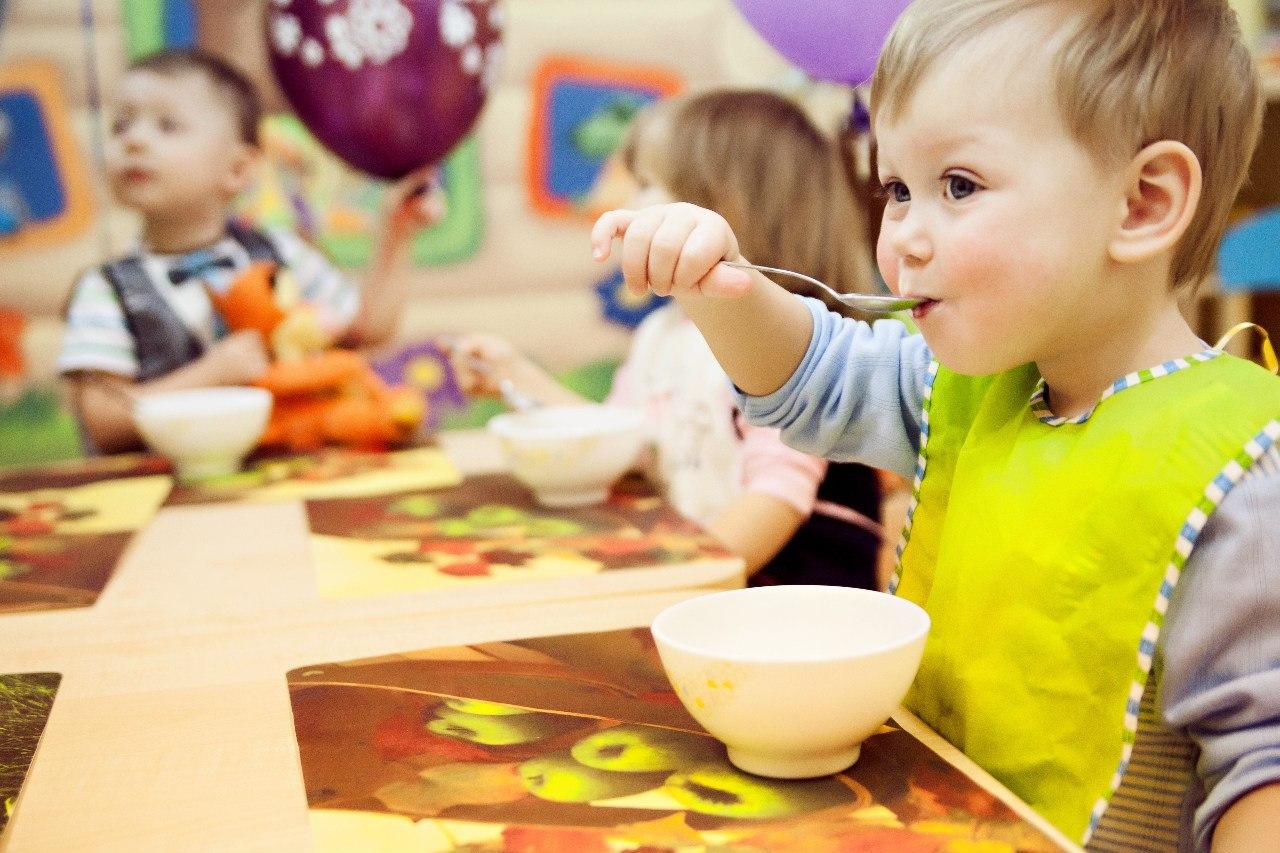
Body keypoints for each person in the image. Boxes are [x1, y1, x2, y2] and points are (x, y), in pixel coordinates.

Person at [589, 1, 1280, 849]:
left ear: (1140, 204)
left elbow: (1262, 767)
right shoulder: (960, 383)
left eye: (958, 185)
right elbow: (813, 377)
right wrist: (717, 288)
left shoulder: (1240, 475)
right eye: (896, 188)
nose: (904, 237)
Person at [453, 90, 888, 584]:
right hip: (713, 583)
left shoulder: (787, 343)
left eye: (645, 184)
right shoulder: (664, 333)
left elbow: (776, 498)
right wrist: (518, 378)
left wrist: (677, 588)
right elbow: (626, 442)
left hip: (797, 605)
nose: (627, 203)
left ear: (725, 209)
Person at [57, 48, 442, 453]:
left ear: (238, 170)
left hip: (279, 476)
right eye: (120, 126)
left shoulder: (280, 252)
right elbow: (104, 420)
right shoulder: (104, 289)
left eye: (167, 126)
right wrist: (212, 375)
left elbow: (367, 331)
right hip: (165, 494)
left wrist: (398, 234)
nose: (133, 140)